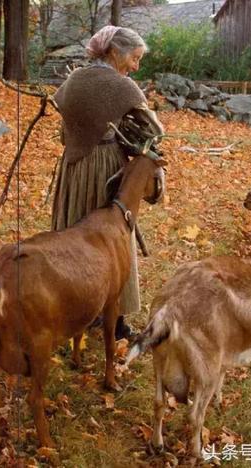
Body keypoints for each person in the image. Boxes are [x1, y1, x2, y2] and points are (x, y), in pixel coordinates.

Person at [51, 25, 163, 340]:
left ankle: (73, 311)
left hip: (72, 168)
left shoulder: (73, 81)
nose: (136, 67)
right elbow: (154, 132)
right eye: (135, 58)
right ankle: (116, 320)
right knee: (113, 241)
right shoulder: (121, 87)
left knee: (72, 234)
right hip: (104, 170)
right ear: (115, 52)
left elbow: (65, 129)